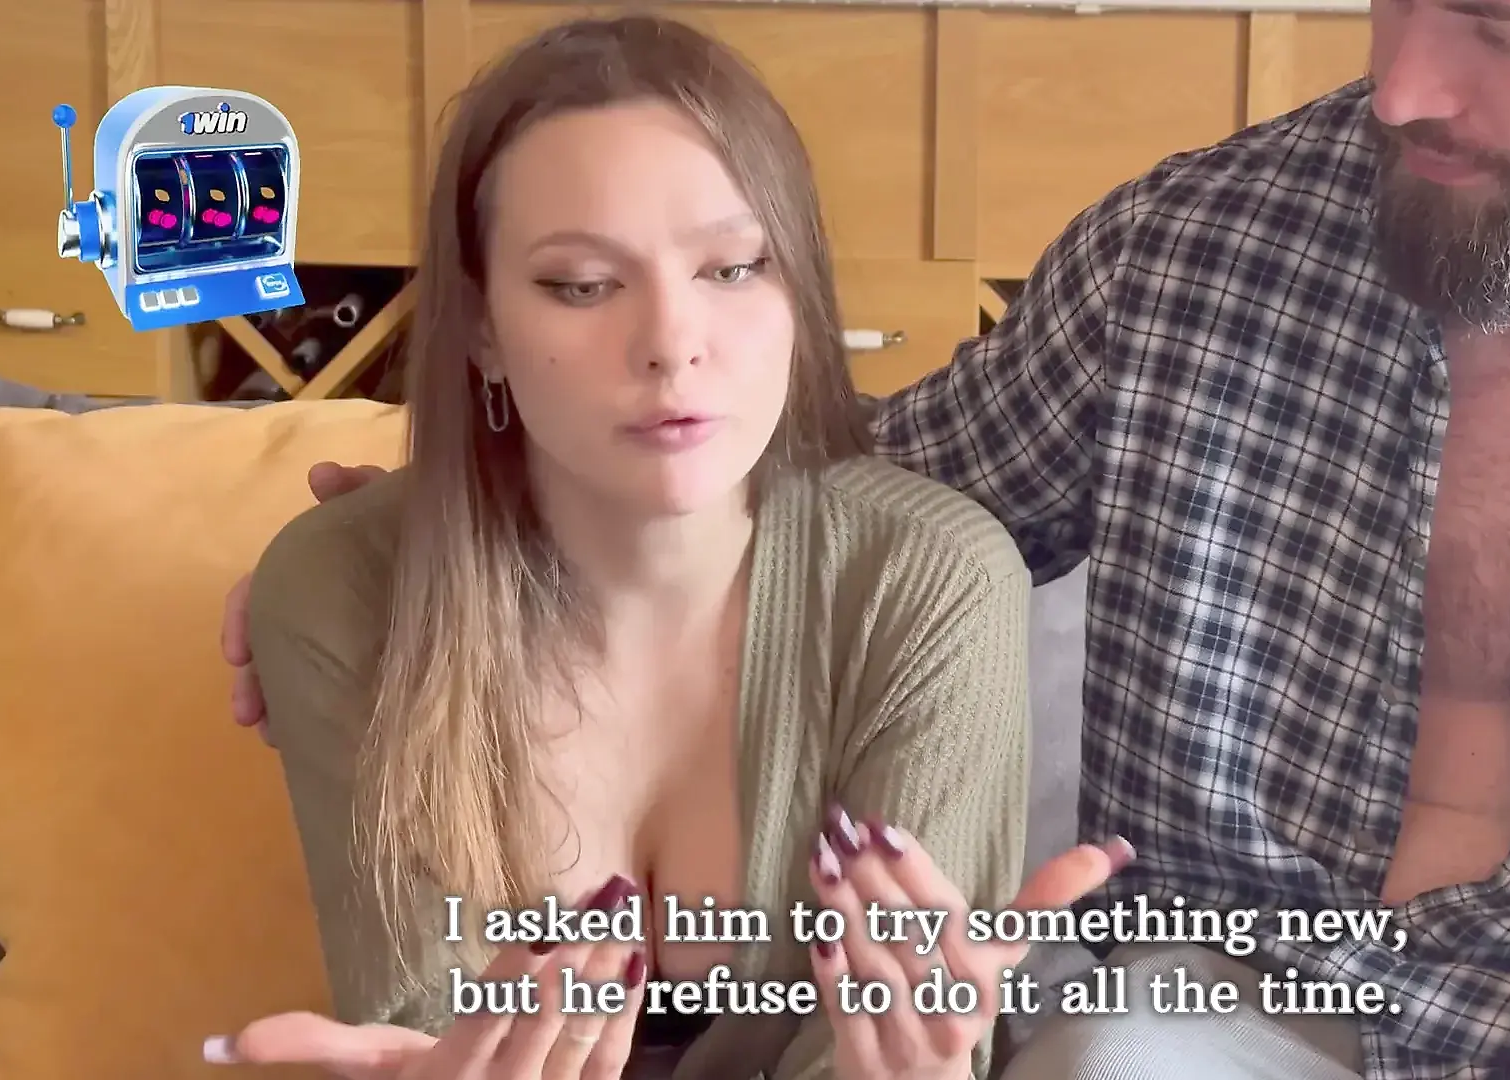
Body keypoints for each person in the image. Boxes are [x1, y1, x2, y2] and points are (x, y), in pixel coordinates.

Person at [221, 1, 1510, 1077]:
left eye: (1506, 26)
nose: (1400, 87)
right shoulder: (1191, 256)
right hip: (1191, 1027)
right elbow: (811, 511)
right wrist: (446, 532)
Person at [200, 16, 1131, 1080]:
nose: (672, 345)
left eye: (733, 268)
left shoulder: (929, 583)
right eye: (582, 285)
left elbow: (890, 1046)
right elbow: (417, 1026)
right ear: (481, 327)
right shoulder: (339, 593)